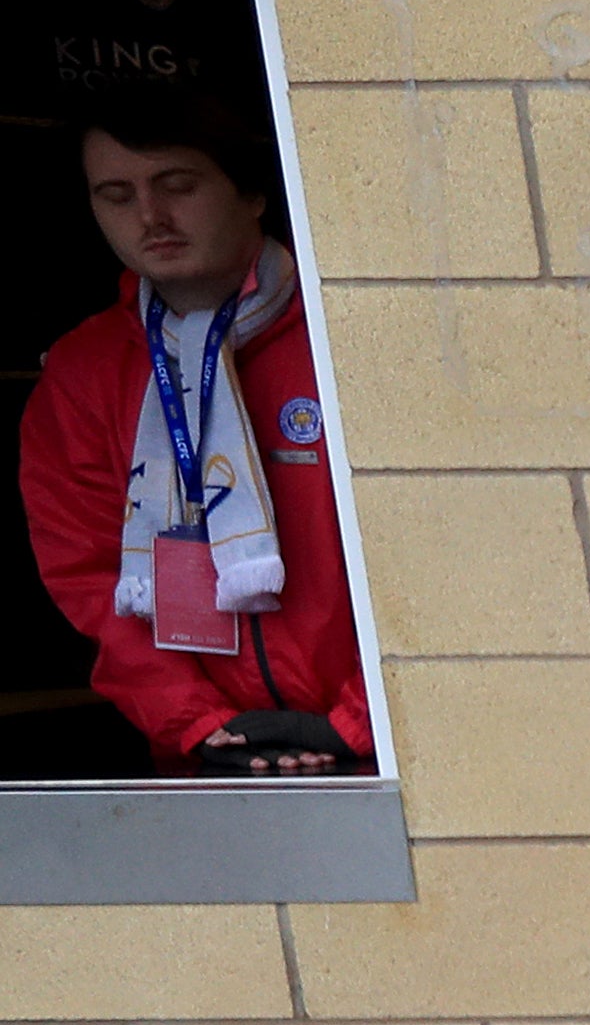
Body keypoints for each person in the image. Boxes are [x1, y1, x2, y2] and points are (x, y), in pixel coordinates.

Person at [17, 88, 372, 775]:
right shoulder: (83, 372)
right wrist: (200, 724)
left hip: (393, 744)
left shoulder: (350, 335)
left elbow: (430, 548)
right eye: (115, 195)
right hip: (209, 756)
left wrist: (357, 721)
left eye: (177, 185)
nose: (150, 217)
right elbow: (89, 578)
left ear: (253, 193)